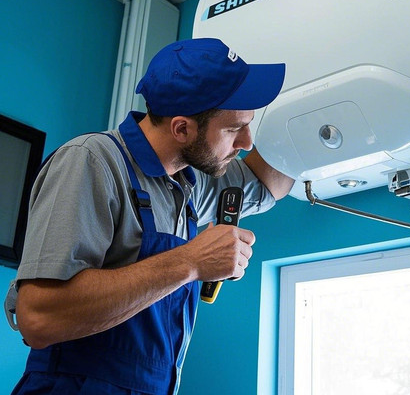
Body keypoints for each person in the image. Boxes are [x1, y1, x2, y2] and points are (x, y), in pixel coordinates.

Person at [6, 37, 294, 395]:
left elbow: (269, 181)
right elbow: (38, 318)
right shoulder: (91, 160)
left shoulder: (190, 182)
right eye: (235, 128)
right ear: (182, 129)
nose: (247, 142)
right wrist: (190, 262)